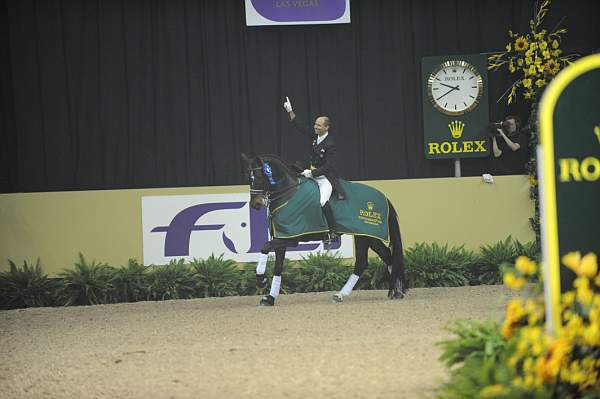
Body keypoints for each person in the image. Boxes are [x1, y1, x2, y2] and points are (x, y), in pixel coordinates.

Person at [283, 96, 345, 244]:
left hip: (325, 178)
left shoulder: (330, 143)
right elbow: (301, 127)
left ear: (326, 127)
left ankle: (333, 231)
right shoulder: (315, 136)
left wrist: (312, 173)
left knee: (322, 201)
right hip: (311, 173)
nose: (315, 127)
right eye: (315, 124)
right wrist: (290, 111)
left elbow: (329, 166)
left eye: (319, 125)